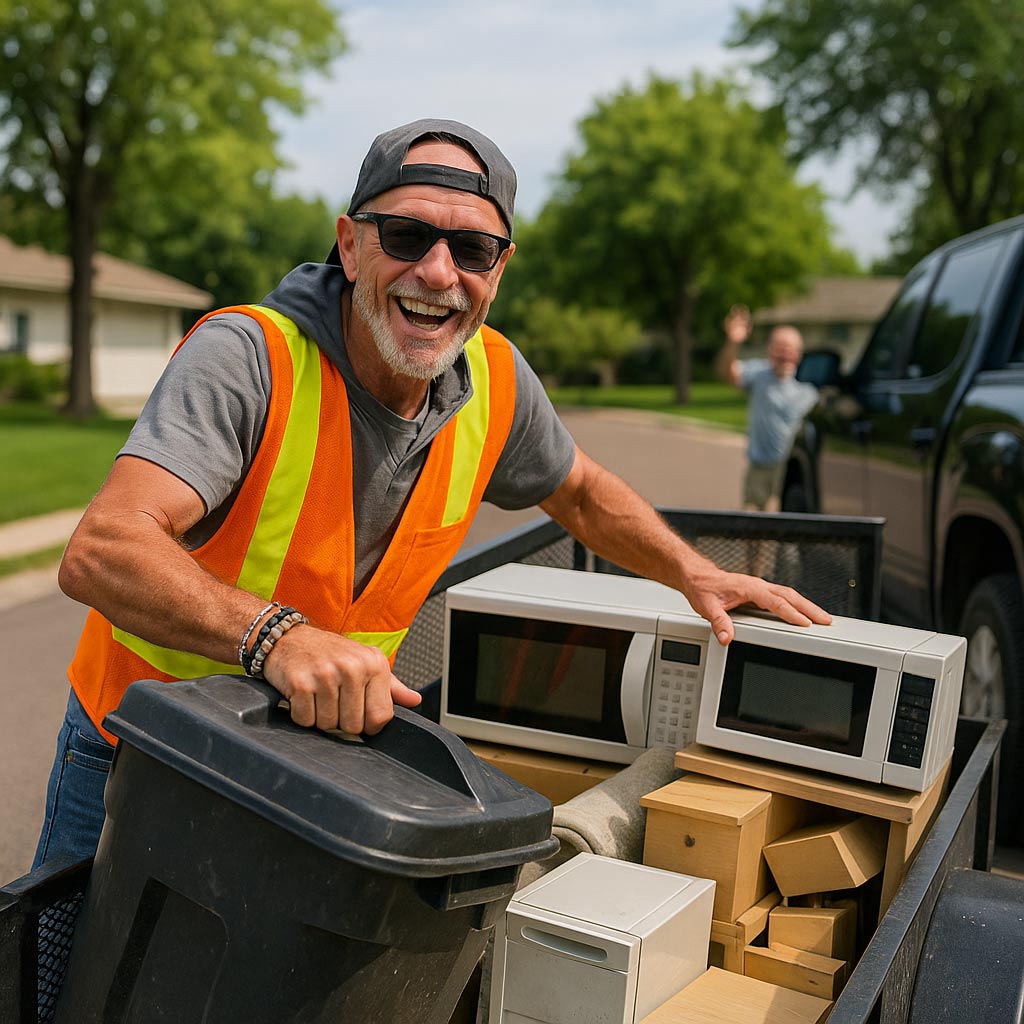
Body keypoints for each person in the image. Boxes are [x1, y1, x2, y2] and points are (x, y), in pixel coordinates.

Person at [34, 119, 831, 872]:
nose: (438, 272)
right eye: (406, 236)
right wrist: (278, 637)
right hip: (141, 757)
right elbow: (104, 549)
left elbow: (581, 492)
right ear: (350, 244)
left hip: (321, 766)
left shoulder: (496, 380)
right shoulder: (247, 357)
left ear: (499, 270)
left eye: (473, 248)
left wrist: (695, 575)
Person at [716, 305, 819, 512]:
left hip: (786, 469)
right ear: (770, 350)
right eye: (779, 347)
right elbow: (727, 373)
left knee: (773, 525)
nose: (784, 353)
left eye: (789, 348)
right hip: (759, 466)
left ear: (798, 354)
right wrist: (733, 342)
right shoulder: (759, 374)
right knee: (752, 520)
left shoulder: (807, 391)